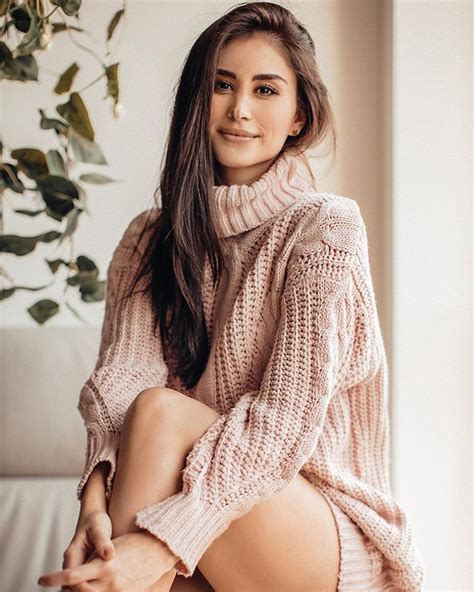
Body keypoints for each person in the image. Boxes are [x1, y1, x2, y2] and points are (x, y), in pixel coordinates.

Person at [38, 2, 425, 591]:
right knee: (147, 427)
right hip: (201, 510)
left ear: (299, 115)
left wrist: (161, 540)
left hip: (322, 532)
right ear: (200, 99)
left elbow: (280, 427)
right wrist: (94, 500)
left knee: (161, 415)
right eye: (222, 85)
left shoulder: (324, 228)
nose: (239, 109)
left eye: (266, 90)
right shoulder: (149, 240)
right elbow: (120, 382)